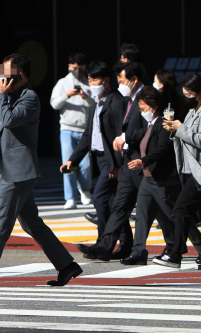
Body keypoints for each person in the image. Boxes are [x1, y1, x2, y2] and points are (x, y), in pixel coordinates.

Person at [0, 54, 81, 287]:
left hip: (18, 171)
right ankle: (67, 265)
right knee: (32, 224)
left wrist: (0, 97)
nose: (2, 78)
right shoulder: (10, 97)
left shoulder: (30, 98)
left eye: (6, 74)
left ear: (20, 74)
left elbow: (10, 120)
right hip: (12, 169)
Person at [149, 75, 201, 269]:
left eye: (189, 93)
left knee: (180, 209)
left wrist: (180, 127)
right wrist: (175, 130)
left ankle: (175, 255)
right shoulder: (192, 111)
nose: (186, 97)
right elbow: (187, 138)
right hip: (189, 169)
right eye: (184, 93)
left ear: (200, 93)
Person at [77, 61, 147, 261]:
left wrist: (117, 161)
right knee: (118, 205)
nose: (119, 83)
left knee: (159, 209)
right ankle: (110, 246)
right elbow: (90, 134)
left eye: (122, 80)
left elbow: (138, 130)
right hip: (117, 162)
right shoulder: (113, 101)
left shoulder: (130, 99)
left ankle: (185, 247)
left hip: (132, 163)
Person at [60, 61, 130, 250]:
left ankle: (103, 242)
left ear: (106, 80)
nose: (92, 84)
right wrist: (72, 160)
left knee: (99, 198)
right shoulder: (95, 103)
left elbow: (120, 135)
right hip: (99, 159)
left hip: (111, 160)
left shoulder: (116, 101)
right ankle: (125, 244)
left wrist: (117, 165)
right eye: (89, 80)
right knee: (114, 202)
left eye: (95, 79)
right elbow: (88, 136)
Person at [50, 52, 94, 209]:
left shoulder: (89, 82)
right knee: (68, 163)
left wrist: (86, 97)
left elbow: (95, 104)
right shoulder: (62, 83)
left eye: (80, 68)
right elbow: (54, 104)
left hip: (85, 129)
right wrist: (66, 95)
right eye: (74, 68)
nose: (77, 71)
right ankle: (70, 197)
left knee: (86, 165)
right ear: (69, 67)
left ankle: (85, 189)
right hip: (67, 128)